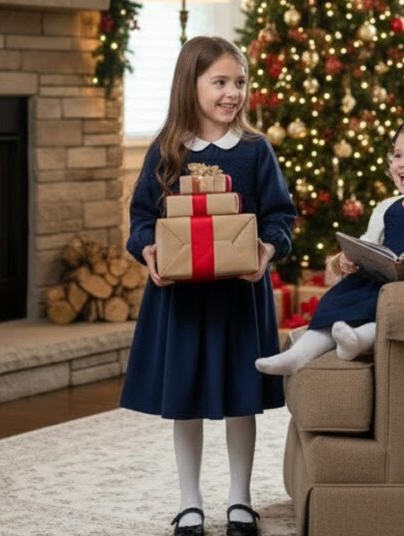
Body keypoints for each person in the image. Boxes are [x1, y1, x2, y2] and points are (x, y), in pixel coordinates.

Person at [121, 36, 297, 536]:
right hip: (182, 300)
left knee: (242, 397)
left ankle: (240, 498)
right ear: (189, 84)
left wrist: (267, 249)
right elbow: (142, 218)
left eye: (239, 82)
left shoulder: (256, 150)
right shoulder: (167, 149)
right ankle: (189, 502)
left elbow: (280, 215)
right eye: (219, 82)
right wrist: (148, 250)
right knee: (187, 398)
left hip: (239, 297)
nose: (232, 93)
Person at [255, 119, 404, 376]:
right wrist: (347, 260)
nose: (402, 163)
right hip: (383, 284)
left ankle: (359, 340)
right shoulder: (386, 208)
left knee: (391, 309)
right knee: (339, 299)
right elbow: (366, 245)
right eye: (397, 155)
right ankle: (297, 355)